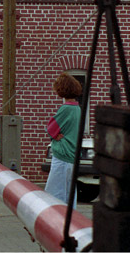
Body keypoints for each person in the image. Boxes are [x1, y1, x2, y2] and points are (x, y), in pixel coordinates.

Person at [45, 72, 83, 209]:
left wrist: (55, 135)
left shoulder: (65, 108)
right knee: (70, 195)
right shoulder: (78, 109)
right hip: (73, 157)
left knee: (54, 196)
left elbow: (51, 127)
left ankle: (55, 227)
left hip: (62, 156)